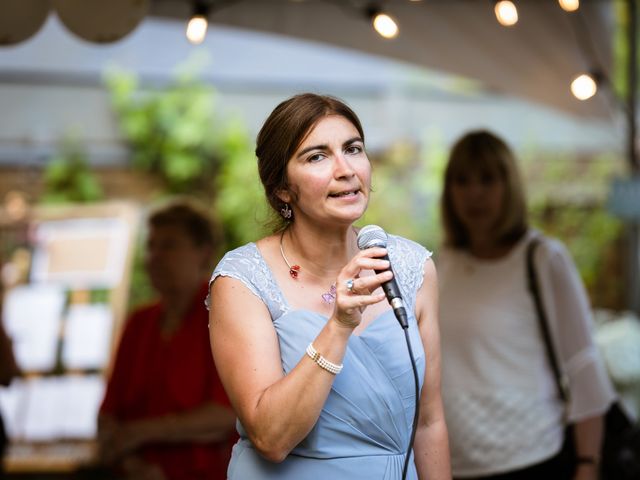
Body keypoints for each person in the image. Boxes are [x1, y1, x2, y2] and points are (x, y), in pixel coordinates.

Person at [207, 93, 451, 479]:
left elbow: (429, 423)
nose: (346, 169)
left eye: (353, 149)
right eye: (317, 156)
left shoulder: (411, 267)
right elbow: (270, 438)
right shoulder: (243, 279)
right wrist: (338, 325)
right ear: (283, 188)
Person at [437, 130, 616, 480]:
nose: (474, 193)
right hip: (455, 463)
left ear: (510, 186)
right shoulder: (445, 263)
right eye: (462, 180)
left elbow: (583, 364)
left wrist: (587, 465)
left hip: (532, 458)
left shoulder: (543, 258)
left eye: (488, 179)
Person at [98, 201, 237, 480]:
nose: (155, 257)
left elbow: (227, 415)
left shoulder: (225, 313)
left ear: (203, 253)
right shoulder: (139, 322)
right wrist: (131, 462)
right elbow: (108, 412)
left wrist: (139, 433)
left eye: (169, 245)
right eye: (151, 246)